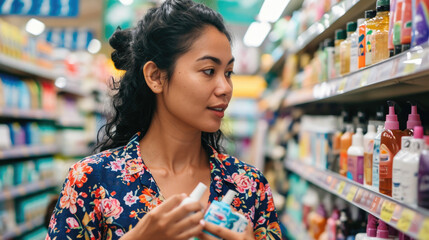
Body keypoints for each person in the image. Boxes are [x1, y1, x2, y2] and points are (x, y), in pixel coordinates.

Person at [46, 0, 281, 239]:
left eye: (228, 73)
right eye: (209, 71)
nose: (225, 88)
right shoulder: (91, 179)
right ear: (156, 76)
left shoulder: (249, 185)